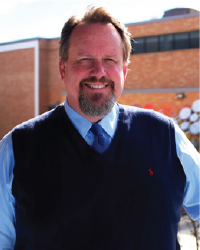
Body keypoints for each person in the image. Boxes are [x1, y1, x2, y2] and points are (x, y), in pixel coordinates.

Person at [0, 6, 199, 250]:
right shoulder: (16, 150)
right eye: (85, 60)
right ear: (63, 68)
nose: (98, 72)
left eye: (110, 60)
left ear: (124, 71)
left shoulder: (166, 136)